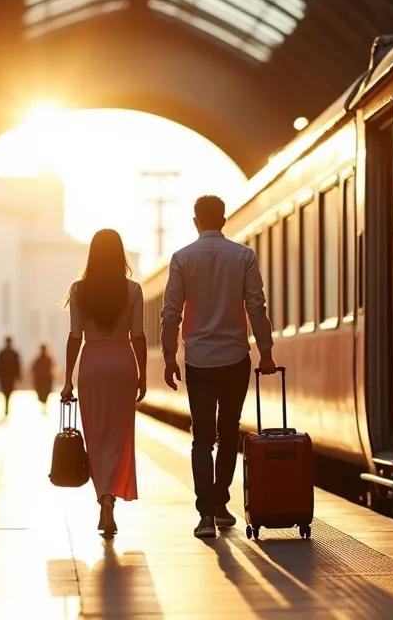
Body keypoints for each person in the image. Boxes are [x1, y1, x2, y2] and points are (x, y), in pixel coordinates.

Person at [161, 195, 275, 539]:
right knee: (229, 434)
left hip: (198, 360)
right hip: (234, 358)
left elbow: (171, 313)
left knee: (201, 438)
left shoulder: (182, 259)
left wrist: (169, 357)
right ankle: (220, 502)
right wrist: (266, 352)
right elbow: (257, 307)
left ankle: (206, 514)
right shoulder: (243, 256)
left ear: (196, 221)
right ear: (223, 220)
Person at [60, 229, 146, 536]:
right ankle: (111, 498)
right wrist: (143, 375)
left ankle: (104, 498)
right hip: (123, 363)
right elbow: (138, 336)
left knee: (95, 435)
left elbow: (74, 337)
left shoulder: (79, 290)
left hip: (92, 363)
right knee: (119, 435)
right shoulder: (133, 290)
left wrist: (68, 379)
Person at [0, 337, 21, 416]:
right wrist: (18, 375)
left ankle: (6, 404)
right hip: (9, 376)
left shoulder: (3, 353)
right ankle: (7, 404)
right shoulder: (13, 353)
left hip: (5, 376)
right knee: (8, 391)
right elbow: (17, 365)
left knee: (6, 391)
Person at [31, 343, 56, 415]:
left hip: (41, 380)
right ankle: (44, 405)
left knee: (43, 393)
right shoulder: (47, 359)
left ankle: (44, 406)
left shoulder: (39, 359)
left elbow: (33, 369)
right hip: (45, 380)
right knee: (44, 393)